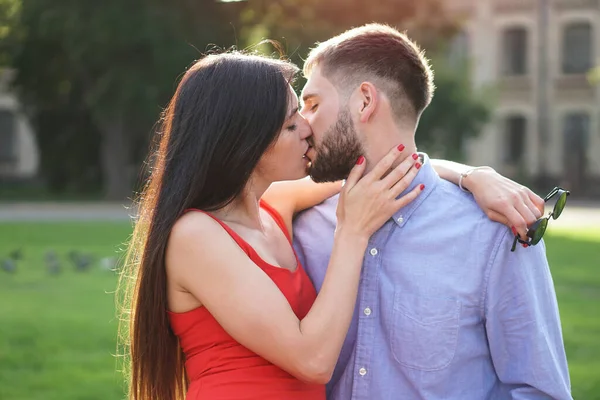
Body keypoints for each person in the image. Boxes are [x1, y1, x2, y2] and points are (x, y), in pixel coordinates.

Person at [118, 50, 549, 400]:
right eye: (291, 123)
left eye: (307, 111)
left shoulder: (274, 208)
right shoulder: (194, 235)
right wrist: (353, 232)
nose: (306, 129)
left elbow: (393, 166)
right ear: (245, 139)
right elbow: (313, 361)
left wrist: (475, 176)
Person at [291, 24, 572, 399]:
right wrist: (470, 173)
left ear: (364, 101)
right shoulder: (297, 226)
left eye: (312, 104)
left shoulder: (495, 232)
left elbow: (539, 391)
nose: (302, 125)